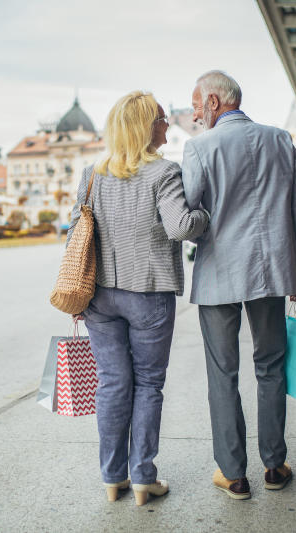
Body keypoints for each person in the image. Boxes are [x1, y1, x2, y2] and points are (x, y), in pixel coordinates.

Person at [66, 91, 209, 506]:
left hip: (99, 297)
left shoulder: (92, 174)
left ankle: (113, 478)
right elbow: (182, 227)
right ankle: (144, 478)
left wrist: (79, 295)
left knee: (112, 383)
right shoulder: (164, 172)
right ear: (147, 127)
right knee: (148, 385)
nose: (167, 124)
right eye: (162, 118)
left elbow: (77, 231)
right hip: (148, 293)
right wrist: (206, 213)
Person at [181, 70, 296, 500]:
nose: (195, 113)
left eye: (198, 104)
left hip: (219, 273)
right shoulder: (280, 139)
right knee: (271, 366)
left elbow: (192, 216)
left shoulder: (199, 148)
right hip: (272, 273)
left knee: (223, 372)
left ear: (216, 101)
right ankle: (275, 465)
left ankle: (233, 474)